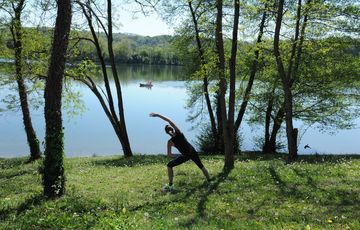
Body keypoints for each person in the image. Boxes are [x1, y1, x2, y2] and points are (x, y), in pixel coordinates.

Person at [149, 112, 210, 192]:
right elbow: (168, 120)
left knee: (169, 165)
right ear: (173, 128)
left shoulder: (170, 142)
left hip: (185, 155)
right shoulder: (178, 132)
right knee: (201, 166)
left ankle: (170, 185)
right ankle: (210, 181)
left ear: (167, 133)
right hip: (192, 151)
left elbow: (169, 155)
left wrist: (179, 155)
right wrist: (157, 115)